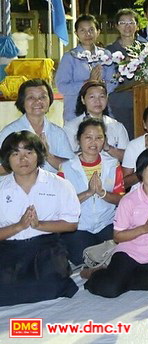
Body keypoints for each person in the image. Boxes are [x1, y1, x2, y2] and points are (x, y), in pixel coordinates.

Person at [84, 147, 148, 298]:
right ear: (141, 172)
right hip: (129, 252)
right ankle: (95, 274)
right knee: (110, 290)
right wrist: (145, 228)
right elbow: (118, 236)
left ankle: (121, 280)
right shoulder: (129, 199)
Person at [0, 131, 80, 306]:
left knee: (50, 288)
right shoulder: (1, 187)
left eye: (29, 152)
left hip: (46, 245)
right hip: (9, 247)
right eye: (16, 154)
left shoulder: (59, 184)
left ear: (39, 154)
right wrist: (19, 226)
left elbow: (71, 224)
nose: (23, 159)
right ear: (7, 159)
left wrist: (39, 225)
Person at [59, 118, 125, 265]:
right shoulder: (66, 167)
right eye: (88, 137)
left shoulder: (112, 164)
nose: (93, 142)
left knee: (119, 255)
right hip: (79, 225)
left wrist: (103, 193)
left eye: (99, 138)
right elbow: (61, 205)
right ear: (78, 139)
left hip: (107, 223)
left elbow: (121, 198)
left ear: (104, 141)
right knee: (82, 258)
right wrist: (88, 192)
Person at [0, 78, 72, 172]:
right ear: (22, 102)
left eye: (43, 97)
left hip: (51, 185)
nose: (38, 101)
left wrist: (47, 155)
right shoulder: (9, 132)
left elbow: (72, 168)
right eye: (31, 97)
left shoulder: (58, 133)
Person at [55, 14, 117, 122]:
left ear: (98, 32)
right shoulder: (70, 57)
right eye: (82, 30)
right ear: (76, 33)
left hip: (101, 111)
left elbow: (113, 82)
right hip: (75, 113)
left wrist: (101, 85)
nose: (87, 34)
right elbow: (62, 86)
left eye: (91, 30)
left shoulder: (105, 55)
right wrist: (87, 83)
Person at [62, 80, 130, 162]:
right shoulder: (71, 127)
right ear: (83, 100)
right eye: (92, 97)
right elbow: (66, 159)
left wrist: (108, 148)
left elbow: (128, 159)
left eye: (101, 97)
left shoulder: (117, 126)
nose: (97, 101)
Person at [107, 8, 138, 136]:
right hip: (118, 104)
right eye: (123, 23)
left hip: (141, 102)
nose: (127, 26)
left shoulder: (146, 49)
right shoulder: (108, 51)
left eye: (131, 22)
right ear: (116, 26)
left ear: (137, 25)